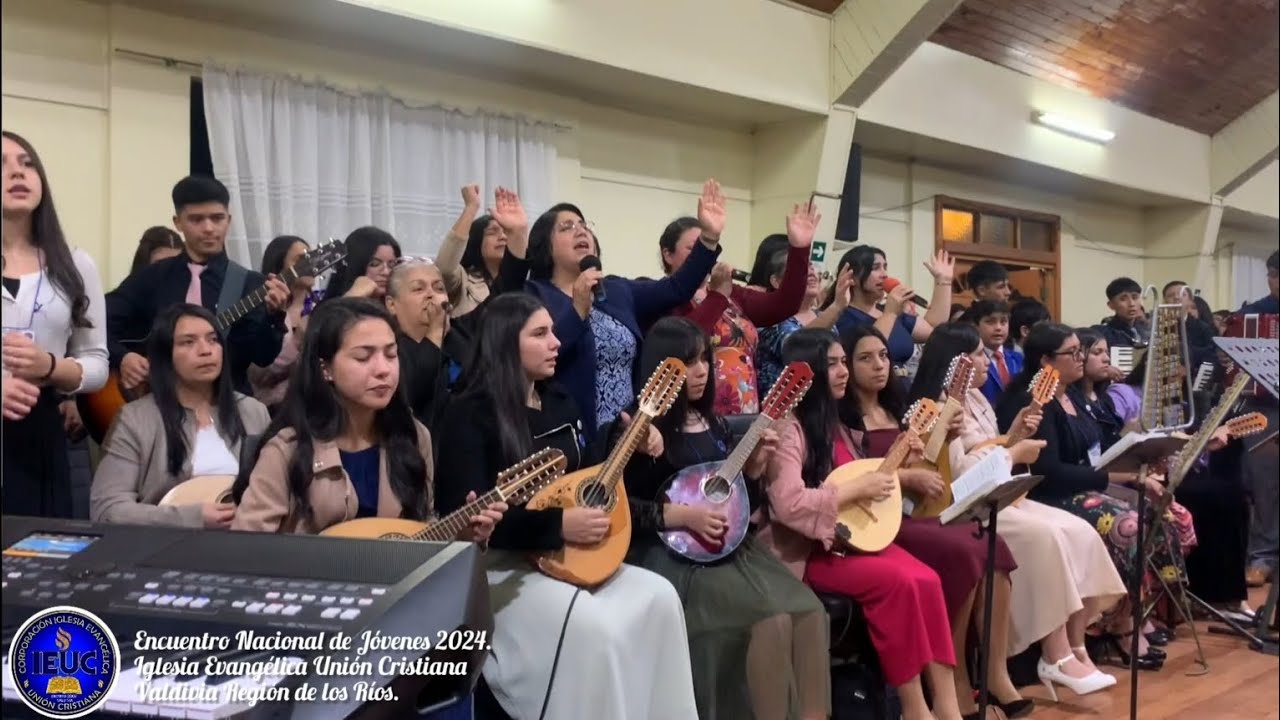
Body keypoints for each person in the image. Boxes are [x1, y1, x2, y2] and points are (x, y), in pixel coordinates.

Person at [434, 293, 699, 720]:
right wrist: (557, 525)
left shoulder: (559, 400)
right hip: (502, 564)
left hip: (568, 552)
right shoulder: (468, 414)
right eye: (540, 334)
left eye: (553, 332)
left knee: (660, 598)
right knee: (594, 627)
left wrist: (627, 441)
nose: (556, 342)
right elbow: (465, 516)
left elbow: (588, 474)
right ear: (505, 342)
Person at [621, 317, 829, 720]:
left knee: (808, 613)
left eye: (704, 359)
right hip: (672, 555)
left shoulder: (714, 423)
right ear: (661, 367)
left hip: (729, 549)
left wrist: (753, 469)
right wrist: (685, 516)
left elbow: (731, 501)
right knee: (769, 622)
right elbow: (621, 505)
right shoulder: (637, 426)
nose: (700, 370)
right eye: (687, 362)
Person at [911, 322, 1125, 702]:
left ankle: (1077, 645)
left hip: (999, 492)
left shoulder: (977, 399)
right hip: (967, 505)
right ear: (955, 364)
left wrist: (1014, 435)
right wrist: (1011, 453)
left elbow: (992, 448)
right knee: (1045, 537)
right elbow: (959, 476)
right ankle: (1054, 654)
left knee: (1079, 530)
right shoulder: (942, 407)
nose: (986, 361)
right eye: (977, 355)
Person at [761, 328, 963, 720]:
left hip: (852, 540)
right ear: (809, 372)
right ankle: (915, 710)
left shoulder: (837, 423)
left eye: (843, 362)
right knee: (898, 583)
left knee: (928, 580)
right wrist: (853, 490)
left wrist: (901, 460)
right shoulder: (789, 429)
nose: (843, 372)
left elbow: (868, 482)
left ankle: (948, 706)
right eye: (832, 364)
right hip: (811, 551)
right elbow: (788, 504)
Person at [841, 323, 1023, 719]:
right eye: (865, 358)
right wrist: (905, 478)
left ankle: (995, 672)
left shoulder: (901, 407)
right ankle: (953, 684)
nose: (879, 365)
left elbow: (929, 461)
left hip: (914, 510)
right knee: (963, 548)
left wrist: (948, 436)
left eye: (883, 356)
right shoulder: (844, 418)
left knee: (991, 544)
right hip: (879, 520)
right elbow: (850, 478)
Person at [231, 297, 503, 538]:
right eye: (363, 357)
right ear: (325, 368)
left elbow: (419, 529)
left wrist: (461, 537)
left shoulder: (413, 436)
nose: (383, 369)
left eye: (391, 354)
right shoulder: (287, 449)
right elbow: (246, 549)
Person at [995, 323, 1171, 670]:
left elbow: (1098, 448)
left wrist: (1140, 454)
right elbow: (1050, 473)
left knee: (1158, 511)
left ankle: (1136, 614)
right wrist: (1118, 477)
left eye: (1081, 350)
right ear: (1045, 360)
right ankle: (1118, 626)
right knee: (1128, 525)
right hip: (1049, 494)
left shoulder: (1072, 393)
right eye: (1072, 352)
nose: (1081, 357)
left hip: (1085, 483)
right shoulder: (1033, 402)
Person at [495, 180, 723, 439]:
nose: (581, 231)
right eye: (567, 227)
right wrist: (577, 310)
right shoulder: (534, 295)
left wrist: (709, 238)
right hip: (571, 434)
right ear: (545, 245)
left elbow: (677, 289)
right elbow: (529, 355)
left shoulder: (616, 290)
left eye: (584, 226)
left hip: (629, 433)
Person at [2, 130, 109, 518]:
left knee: (34, 546)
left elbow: (97, 363)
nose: (18, 172)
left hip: (39, 431)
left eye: (27, 163)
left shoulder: (74, 263)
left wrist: (49, 366)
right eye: (2, 165)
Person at [106, 175, 290, 395]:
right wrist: (123, 357)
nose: (209, 228)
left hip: (227, 403)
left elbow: (262, 357)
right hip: (158, 400)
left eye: (217, 218)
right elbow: (97, 321)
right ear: (178, 222)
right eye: (196, 219)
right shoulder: (153, 277)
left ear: (229, 220)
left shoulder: (250, 283)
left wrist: (274, 317)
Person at [91, 304, 270, 527]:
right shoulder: (135, 419)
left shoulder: (253, 411)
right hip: (167, 543)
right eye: (189, 342)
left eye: (213, 340)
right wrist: (191, 517)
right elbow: (107, 509)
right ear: (166, 355)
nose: (206, 350)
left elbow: (279, 492)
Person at [661, 202, 814, 415]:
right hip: (697, 415)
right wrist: (717, 297)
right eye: (693, 248)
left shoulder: (731, 293)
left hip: (746, 412)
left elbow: (784, 305)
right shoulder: (663, 296)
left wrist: (799, 250)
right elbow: (686, 342)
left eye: (708, 248)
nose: (702, 255)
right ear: (668, 254)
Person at [830, 244, 954, 367]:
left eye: (885, 267)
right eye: (875, 268)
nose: (884, 274)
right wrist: (890, 313)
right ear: (852, 278)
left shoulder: (891, 311)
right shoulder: (841, 316)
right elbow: (869, 350)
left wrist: (943, 281)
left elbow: (934, 329)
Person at [756, 253, 853, 398]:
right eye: (800, 268)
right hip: (786, 407)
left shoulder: (824, 316)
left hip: (824, 404)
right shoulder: (770, 318)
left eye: (811, 266)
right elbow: (796, 346)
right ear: (776, 281)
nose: (811, 272)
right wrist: (837, 306)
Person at [1240, 249, 1279, 588]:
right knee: (1265, 483)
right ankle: (1262, 556)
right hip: (1264, 409)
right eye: (1274, 275)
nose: (1277, 282)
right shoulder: (1251, 314)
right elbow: (1229, 362)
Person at [433, 184, 529, 317]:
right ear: (476, 241)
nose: (502, 237)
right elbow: (444, 269)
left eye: (506, 231)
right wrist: (471, 207)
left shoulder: (526, 283)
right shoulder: (463, 280)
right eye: (492, 232)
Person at [247, 235, 313, 411]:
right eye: (300, 259)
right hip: (275, 410)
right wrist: (297, 342)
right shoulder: (262, 310)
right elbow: (259, 376)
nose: (310, 263)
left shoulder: (321, 305)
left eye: (311, 256)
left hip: (317, 408)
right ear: (280, 266)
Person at [318, 226, 402, 302]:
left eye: (392, 265)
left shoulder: (399, 307)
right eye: (375, 264)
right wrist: (353, 296)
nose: (386, 272)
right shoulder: (326, 310)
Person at [962, 300, 1023, 405]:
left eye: (1003, 322)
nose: (998, 328)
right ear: (975, 326)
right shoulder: (971, 360)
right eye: (990, 322)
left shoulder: (1019, 358)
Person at [1092, 277, 1150, 350]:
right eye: (1123, 299)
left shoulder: (1144, 331)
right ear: (1111, 305)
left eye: (1135, 297)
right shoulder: (1102, 333)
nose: (1131, 304)